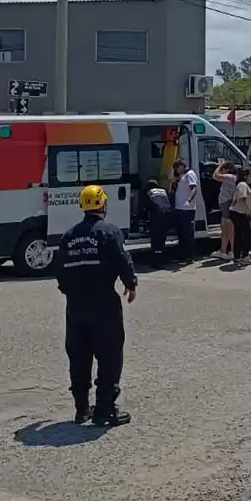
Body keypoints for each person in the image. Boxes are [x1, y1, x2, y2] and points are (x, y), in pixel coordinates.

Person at [56, 184, 138, 426]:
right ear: (103, 204)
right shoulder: (109, 232)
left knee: (79, 356)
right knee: (110, 354)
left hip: (76, 306)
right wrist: (130, 283)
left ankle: (82, 409)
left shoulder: (68, 237)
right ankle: (105, 409)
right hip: (104, 303)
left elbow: (60, 272)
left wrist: (70, 291)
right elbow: (122, 260)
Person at [169, 159, 198, 263]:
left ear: (182, 166)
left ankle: (190, 256)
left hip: (187, 209)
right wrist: (172, 170)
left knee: (187, 233)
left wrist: (189, 200)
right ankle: (182, 255)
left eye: (177, 167)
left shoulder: (190, 174)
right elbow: (171, 179)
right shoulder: (181, 176)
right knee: (181, 233)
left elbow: (194, 188)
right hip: (179, 208)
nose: (177, 170)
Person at [144, 179, 174, 267]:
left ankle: (156, 262)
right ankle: (163, 259)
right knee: (162, 240)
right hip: (167, 217)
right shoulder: (163, 191)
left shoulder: (150, 192)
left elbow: (146, 206)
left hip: (157, 219)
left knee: (155, 241)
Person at [230, 165, 251, 265]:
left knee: (239, 235)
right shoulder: (243, 185)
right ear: (245, 176)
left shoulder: (241, 185)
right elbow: (242, 199)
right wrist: (249, 211)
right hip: (239, 213)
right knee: (248, 233)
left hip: (237, 213)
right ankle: (245, 256)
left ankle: (237, 257)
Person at [212, 160, 238, 258]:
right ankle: (223, 250)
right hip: (225, 205)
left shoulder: (230, 177)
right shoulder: (230, 178)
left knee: (230, 229)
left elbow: (215, 175)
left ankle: (232, 251)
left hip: (228, 204)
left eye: (223, 169)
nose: (221, 171)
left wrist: (220, 165)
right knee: (224, 229)